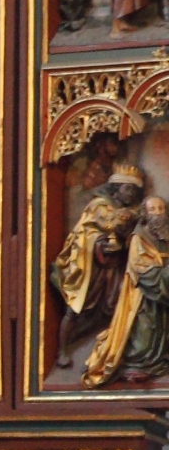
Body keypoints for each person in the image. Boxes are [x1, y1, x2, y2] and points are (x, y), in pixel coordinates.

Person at [52, 161, 147, 362]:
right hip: (89, 266)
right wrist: (101, 243)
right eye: (127, 188)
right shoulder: (99, 206)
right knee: (75, 308)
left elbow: (129, 236)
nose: (131, 194)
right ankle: (62, 350)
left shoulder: (132, 211)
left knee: (121, 305)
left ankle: (113, 350)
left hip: (114, 268)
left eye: (134, 190)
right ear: (116, 188)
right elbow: (84, 234)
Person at [87, 196, 169, 387]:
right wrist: (164, 275)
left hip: (165, 288)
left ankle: (162, 359)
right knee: (147, 331)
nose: (158, 213)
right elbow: (141, 267)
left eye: (161, 209)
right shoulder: (139, 237)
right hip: (145, 293)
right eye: (153, 209)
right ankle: (139, 364)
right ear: (145, 213)